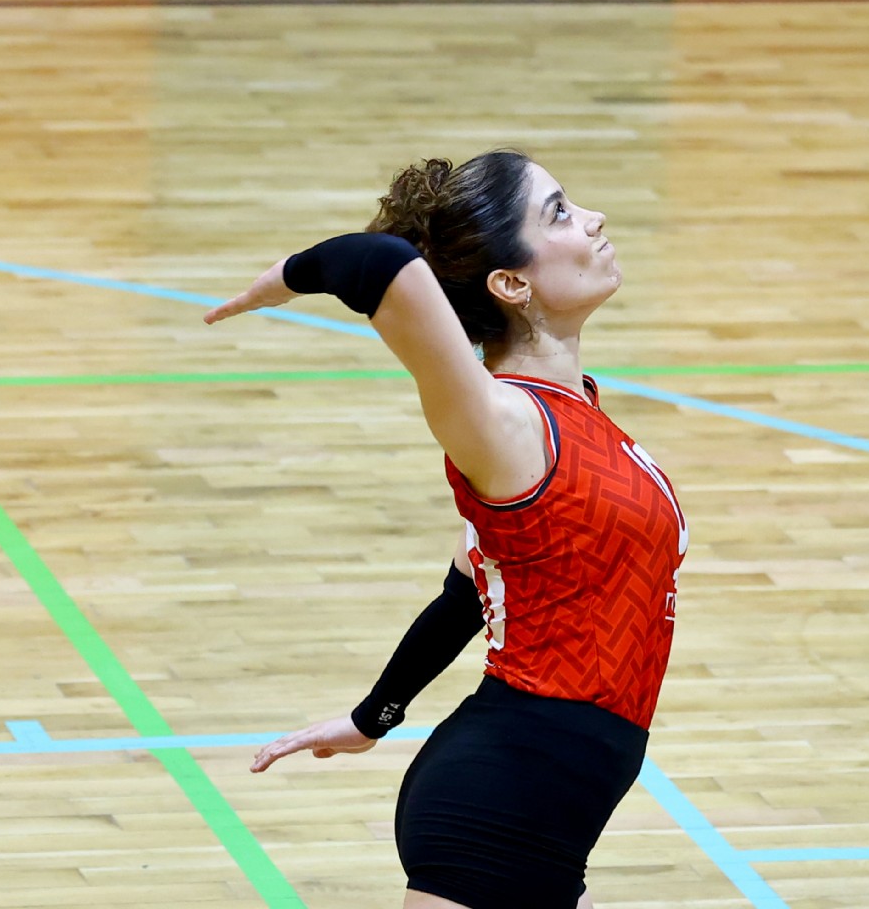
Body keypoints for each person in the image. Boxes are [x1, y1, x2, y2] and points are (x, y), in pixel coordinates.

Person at [203, 149, 688, 909]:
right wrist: (286, 280)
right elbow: (380, 261)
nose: (594, 220)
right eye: (560, 213)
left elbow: (467, 592)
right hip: (499, 807)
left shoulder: (578, 415)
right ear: (511, 283)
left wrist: (374, 715)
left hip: (551, 809)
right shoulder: (500, 420)